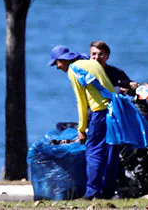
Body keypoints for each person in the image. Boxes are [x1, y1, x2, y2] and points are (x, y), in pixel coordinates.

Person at [88, 40, 148, 199]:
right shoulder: (87, 71)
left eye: (101, 54)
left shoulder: (115, 72)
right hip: (98, 116)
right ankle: (93, 192)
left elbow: (130, 87)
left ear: (107, 56)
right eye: (93, 54)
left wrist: (135, 88)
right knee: (97, 156)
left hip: (116, 118)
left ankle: (107, 193)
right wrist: (120, 88)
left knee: (113, 157)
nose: (97, 58)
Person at [48, 45, 114, 199]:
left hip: (99, 112)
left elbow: (81, 102)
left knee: (93, 152)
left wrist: (82, 129)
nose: (57, 67)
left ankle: (91, 193)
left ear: (63, 60)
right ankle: (108, 192)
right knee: (111, 152)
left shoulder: (74, 70)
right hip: (114, 110)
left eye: (56, 63)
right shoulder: (91, 63)